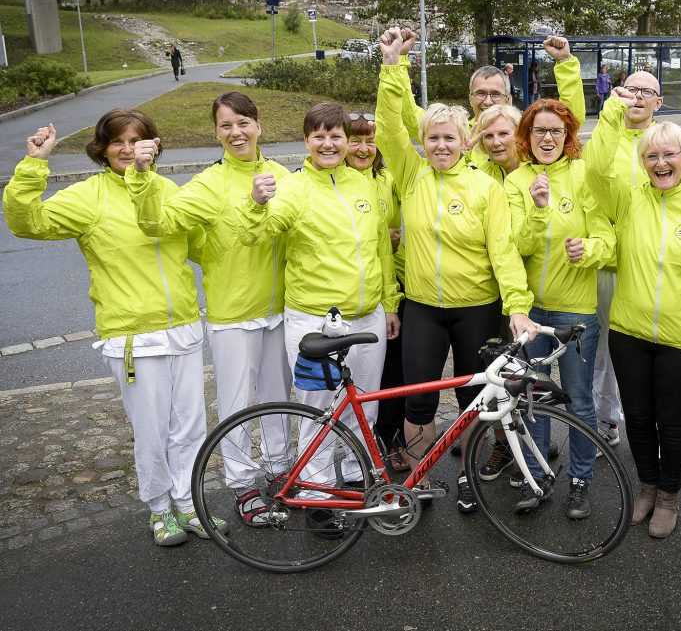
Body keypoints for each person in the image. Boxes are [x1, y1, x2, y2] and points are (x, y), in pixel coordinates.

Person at [3, 111, 220, 546]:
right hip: (133, 335)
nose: (128, 149)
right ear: (102, 149)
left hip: (183, 327)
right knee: (152, 431)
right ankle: (160, 508)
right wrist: (34, 164)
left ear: (154, 145)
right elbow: (28, 223)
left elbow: (204, 248)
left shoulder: (167, 190)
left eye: (137, 140)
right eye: (118, 141)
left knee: (191, 428)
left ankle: (189, 502)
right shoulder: (88, 196)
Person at [375, 27, 539, 514]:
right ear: (423, 142)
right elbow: (389, 127)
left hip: (478, 308)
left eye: (450, 138)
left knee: (475, 402)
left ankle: (467, 476)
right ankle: (421, 479)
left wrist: (517, 307)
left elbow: (503, 252)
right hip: (423, 307)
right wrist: (392, 67)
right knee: (419, 401)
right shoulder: (412, 174)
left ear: (466, 141)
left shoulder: (485, 188)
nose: (441, 145)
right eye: (433, 138)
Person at [125, 92, 293, 529]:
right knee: (236, 405)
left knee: (278, 400)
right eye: (225, 125)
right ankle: (243, 485)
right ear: (216, 133)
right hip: (232, 314)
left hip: (281, 309)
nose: (236, 132)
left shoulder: (281, 175)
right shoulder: (208, 184)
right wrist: (141, 176)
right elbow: (158, 223)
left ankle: (280, 470)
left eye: (243, 122)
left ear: (258, 125)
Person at [236, 102, 401, 535]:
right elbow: (258, 233)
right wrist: (257, 204)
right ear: (306, 140)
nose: (328, 144)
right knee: (318, 410)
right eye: (319, 136)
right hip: (316, 321)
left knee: (363, 403)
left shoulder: (363, 183)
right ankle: (316, 493)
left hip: (368, 316)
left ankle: (356, 477)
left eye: (336, 136)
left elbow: (380, 251)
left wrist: (389, 303)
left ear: (347, 140)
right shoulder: (293, 188)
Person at [586, 87, 681, 538]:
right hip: (629, 332)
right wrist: (613, 111)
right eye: (652, 156)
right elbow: (596, 169)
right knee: (637, 419)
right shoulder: (628, 201)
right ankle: (647, 488)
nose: (661, 163)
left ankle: (669, 496)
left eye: (670, 154)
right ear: (642, 163)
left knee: (671, 423)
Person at [501, 98, 615, 517]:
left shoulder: (583, 175)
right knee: (532, 398)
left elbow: (608, 241)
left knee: (579, 400)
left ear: (568, 136)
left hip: (576, 311)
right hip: (530, 312)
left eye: (556, 131)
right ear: (527, 136)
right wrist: (537, 210)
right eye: (539, 130)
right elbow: (516, 247)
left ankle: (581, 479)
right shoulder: (516, 182)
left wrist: (589, 249)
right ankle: (537, 477)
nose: (547, 138)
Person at [582, 65, 665, 455]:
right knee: (608, 347)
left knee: (654, 346)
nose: (637, 97)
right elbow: (594, 173)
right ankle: (606, 418)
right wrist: (611, 113)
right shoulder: (607, 137)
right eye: (631, 89)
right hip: (610, 265)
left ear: (658, 103)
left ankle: (653, 426)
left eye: (646, 92)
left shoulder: (664, 141)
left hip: (654, 264)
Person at [403, 37, 584, 183]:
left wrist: (565, 62)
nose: (488, 101)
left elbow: (568, 118)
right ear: (470, 98)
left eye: (495, 94)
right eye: (480, 93)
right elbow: (410, 115)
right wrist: (398, 59)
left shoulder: (525, 131)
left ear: (507, 99)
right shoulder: (455, 132)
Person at [345, 111, 410, 471]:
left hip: (394, 282)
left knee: (393, 369)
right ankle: (351, 444)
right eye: (355, 140)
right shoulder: (336, 182)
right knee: (354, 373)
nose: (363, 148)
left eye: (370, 141)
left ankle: (390, 435)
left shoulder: (389, 178)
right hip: (353, 288)